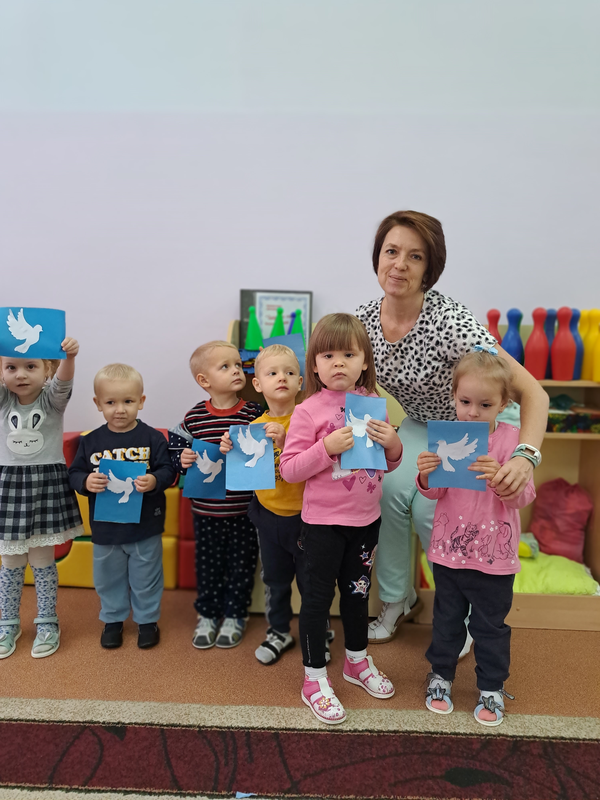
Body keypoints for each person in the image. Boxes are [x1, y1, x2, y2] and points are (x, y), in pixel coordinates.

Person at [356, 211, 548, 644]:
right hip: (422, 423)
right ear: (378, 257)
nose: (399, 264)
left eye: (415, 256)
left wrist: (525, 456)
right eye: (391, 251)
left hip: (478, 422)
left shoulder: (450, 323)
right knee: (381, 489)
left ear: (430, 268)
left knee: (434, 508)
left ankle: (458, 612)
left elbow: (534, 394)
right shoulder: (365, 320)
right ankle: (397, 598)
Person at [280, 313, 403, 725]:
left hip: (366, 522)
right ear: (314, 365)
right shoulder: (307, 411)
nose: (338, 363)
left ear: (364, 361)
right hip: (322, 526)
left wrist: (394, 444)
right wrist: (326, 448)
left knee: (357, 595)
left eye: (348, 354)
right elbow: (289, 470)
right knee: (317, 600)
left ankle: (356, 661)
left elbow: (387, 464)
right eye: (327, 355)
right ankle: (314, 679)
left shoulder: (372, 405)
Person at [416, 348, 536, 726]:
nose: (472, 412)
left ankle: (491, 687)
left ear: (503, 404)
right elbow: (435, 492)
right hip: (449, 554)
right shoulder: (446, 437)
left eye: (485, 405)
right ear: (453, 397)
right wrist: (425, 474)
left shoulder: (514, 442)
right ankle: (441, 676)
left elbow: (523, 497)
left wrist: (503, 478)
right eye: (465, 401)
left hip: (494, 560)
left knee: (490, 627)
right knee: (446, 621)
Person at [220, 344, 334, 666]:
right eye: (272, 373)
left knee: (313, 583)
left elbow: (320, 464)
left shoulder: (310, 421)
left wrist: (286, 442)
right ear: (257, 384)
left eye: (289, 372)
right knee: (275, 580)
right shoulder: (252, 427)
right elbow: (245, 474)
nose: (281, 378)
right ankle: (279, 631)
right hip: (269, 519)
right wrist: (230, 450)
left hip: (308, 520)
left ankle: (319, 632)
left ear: (301, 382)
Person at [68, 364, 176, 649]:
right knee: (108, 578)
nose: (119, 410)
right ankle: (113, 619)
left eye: (128, 401)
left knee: (147, 577)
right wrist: (86, 481)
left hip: (144, 526)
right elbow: (74, 473)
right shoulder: (90, 441)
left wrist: (154, 480)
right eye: (111, 403)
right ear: (98, 404)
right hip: (106, 529)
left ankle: (147, 621)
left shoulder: (153, 438)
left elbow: (169, 471)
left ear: (141, 401)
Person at [168, 340, 262, 650]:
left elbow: (266, 451)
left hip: (245, 511)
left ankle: (235, 615)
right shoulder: (194, 417)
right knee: (208, 567)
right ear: (204, 380)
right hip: (206, 511)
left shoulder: (253, 413)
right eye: (226, 366)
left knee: (241, 566)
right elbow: (175, 449)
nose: (236, 371)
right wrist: (181, 459)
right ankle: (207, 615)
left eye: (238, 365)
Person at [0, 337, 83, 659]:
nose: (20, 374)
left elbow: (63, 383)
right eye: (11, 367)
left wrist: (69, 357)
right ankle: (8, 622)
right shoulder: (4, 401)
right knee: (10, 562)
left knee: (42, 560)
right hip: (9, 489)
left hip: (45, 488)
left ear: (47, 369)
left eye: (30, 366)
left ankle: (47, 621)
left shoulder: (52, 402)